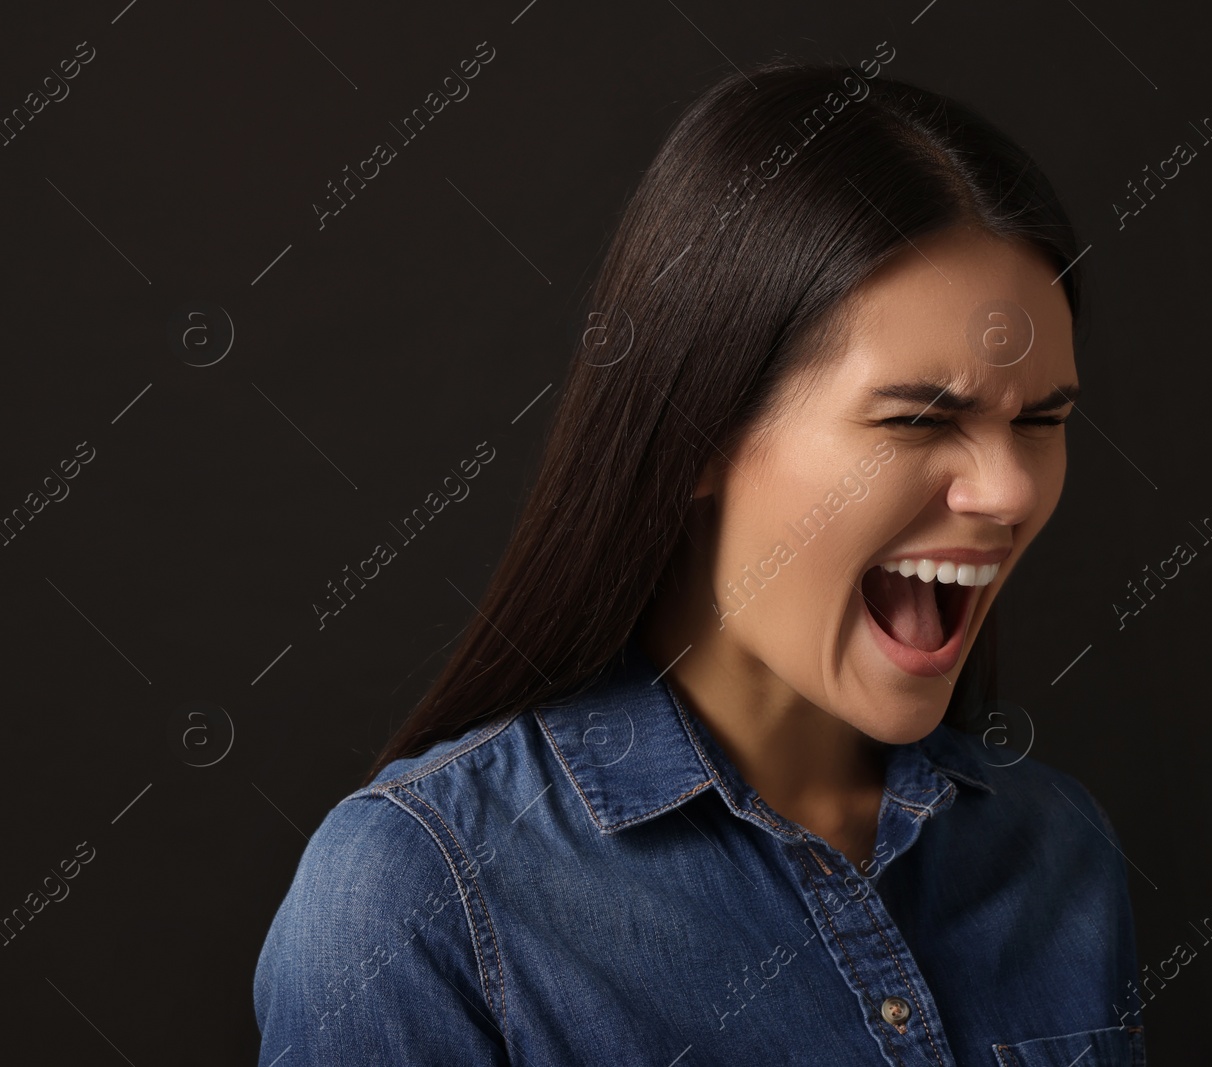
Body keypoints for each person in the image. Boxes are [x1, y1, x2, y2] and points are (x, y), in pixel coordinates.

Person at [254, 53, 1145, 1066]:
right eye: (914, 418)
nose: (1011, 491)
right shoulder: (416, 892)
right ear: (698, 430)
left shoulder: (1056, 848)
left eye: (1040, 419)